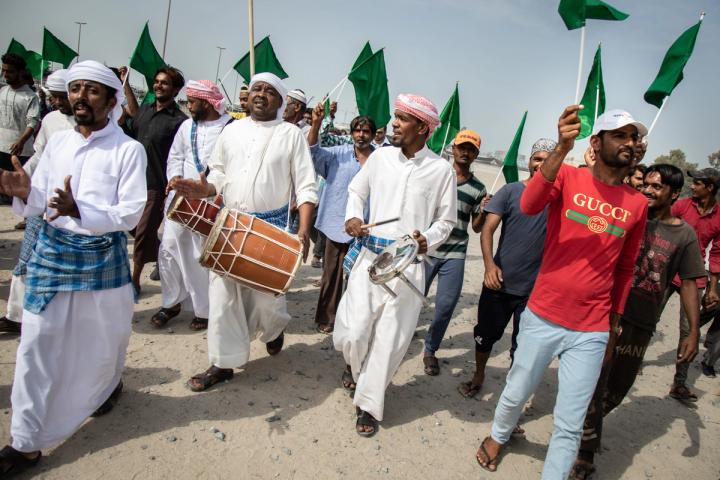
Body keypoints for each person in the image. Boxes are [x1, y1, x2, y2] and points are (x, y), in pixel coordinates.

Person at [475, 108, 648, 478]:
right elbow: (529, 204)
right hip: (543, 314)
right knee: (517, 390)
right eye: (620, 135)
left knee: (570, 420)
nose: (630, 142)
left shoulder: (637, 203)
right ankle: (498, 435)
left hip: (592, 328)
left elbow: (625, 268)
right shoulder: (568, 176)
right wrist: (561, 147)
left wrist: (613, 324)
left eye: (634, 136)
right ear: (596, 142)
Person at [0, 60, 147, 476]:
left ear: (112, 101)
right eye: (76, 88)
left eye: (92, 90)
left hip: (101, 260)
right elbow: (39, 199)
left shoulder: (127, 150)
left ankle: (106, 387)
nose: (81, 96)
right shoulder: (59, 143)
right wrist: (24, 193)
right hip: (51, 253)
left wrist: (80, 209)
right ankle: (25, 442)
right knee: (35, 346)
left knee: (102, 343)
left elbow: (130, 213)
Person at [173, 72, 317, 392]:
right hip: (230, 225)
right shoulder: (232, 130)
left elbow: (306, 186)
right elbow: (218, 174)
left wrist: (304, 231)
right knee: (223, 298)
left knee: (267, 302)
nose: (261, 94)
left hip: (271, 229)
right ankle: (223, 363)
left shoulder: (291, 135)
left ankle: (274, 330)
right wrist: (205, 189)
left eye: (269, 91)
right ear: (248, 97)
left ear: (280, 102)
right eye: (256, 89)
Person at [569, 164, 703, 480]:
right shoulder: (628, 214)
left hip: (642, 323)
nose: (648, 191)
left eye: (657, 187)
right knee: (595, 381)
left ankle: (581, 425)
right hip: (606, 312)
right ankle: (585, 452)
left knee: (616, 389)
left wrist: (693, 332)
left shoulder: (684, 235)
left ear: (674, 193)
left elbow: (688, 283)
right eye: (647, 185)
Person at [334, 93, 457, 437]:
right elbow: (356, 192)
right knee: (355, 332)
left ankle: (368, 404)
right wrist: (354, 217)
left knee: (389, 340)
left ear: (423, 127)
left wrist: (427, 239)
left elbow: (446, 221)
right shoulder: (380, 157)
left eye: (403, 119)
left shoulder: (441, 170)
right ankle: (355, 369)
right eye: (396, 117)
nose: (395, 124)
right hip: (370, 258)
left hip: (409, 266)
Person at [457, 138, 556, 398]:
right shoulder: (510, 191)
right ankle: (479, 374)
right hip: (499, 282)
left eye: (547, 160)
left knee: (522, 345)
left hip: (535, 290)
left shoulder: (559, 199)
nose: (541, 165)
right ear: (529, 161)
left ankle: (513, 391)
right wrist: (489, 266)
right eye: (537, 159)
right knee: (485, 335)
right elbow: (486, 230)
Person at [0, 69, 76, 335]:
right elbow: (39, 155)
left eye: (61, 97)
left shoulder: (92, 125)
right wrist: (22, 177)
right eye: (54, 97)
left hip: (71, 209)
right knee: (27, 256)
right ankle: (15, 315)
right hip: (41, 199)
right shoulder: (51, 119)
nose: (56, 102)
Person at [151, 80, 231, 331]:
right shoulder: (187, 126)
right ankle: (171, 302)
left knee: (200, 255)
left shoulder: (230, 128)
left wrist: (211, 189)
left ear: (207, 103)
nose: (189, 105)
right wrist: (175, 177)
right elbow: (175, 156)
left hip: (211, 201)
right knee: (169, 248)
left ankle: (203, 310)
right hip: (180, 200)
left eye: (193, 102)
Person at [307, 101, 376, 334]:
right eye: (357, 130)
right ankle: (327, 318)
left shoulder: (380, 160)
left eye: (365, 131)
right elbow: (313, 151)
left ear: (372, 135)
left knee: (360, 278)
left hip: (368, 228)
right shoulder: (338, 154)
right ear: (352, 133)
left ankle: (353, 321)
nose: (361, 135)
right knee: (332, 274)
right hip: (337, 224)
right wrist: (315, 125)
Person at [422, 129, 486, 376]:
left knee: (445, 306)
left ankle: (430, 349)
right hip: (427, 248)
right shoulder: (437, 174)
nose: (465, 152)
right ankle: (400, 337)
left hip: (455, 253)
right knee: (413, 298)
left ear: (476, 155)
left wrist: (483, 211)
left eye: (471, 149)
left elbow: (477, 227)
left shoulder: (478, 188)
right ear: (453, 148)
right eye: (462, 147)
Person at [122, 66, 187, 293]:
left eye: (165, 83)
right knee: (131, 225)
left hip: (157, 185)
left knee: (142, 232)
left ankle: (135, 279)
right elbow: (133, 121)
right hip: (133, 181)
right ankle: (159, 250)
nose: (159, 86)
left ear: (176, 90)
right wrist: (126, 84)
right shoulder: (145, 111)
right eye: (157, 82)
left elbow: (180, 156)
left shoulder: (179, 121)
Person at [663, 167, 720, 398]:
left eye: (697, 183)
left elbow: (716, 254)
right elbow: (662, 225)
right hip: (667, 272)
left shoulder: (719, 217)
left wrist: (713, 288)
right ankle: (630, 362)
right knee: (648, 318)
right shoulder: (682, 206)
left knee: (688, 331)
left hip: (693, 278)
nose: (692, 186)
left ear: (710, 187)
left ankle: (679, 384)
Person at [0, 53, 40, 172]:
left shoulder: (31, 97)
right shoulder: (2, 91)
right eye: (3, 70)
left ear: (20, 72)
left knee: (16, 183)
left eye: (10, 72)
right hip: (1, 148)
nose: (5, 75)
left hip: (20, 152)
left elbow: (33, 123)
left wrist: (21, 141)